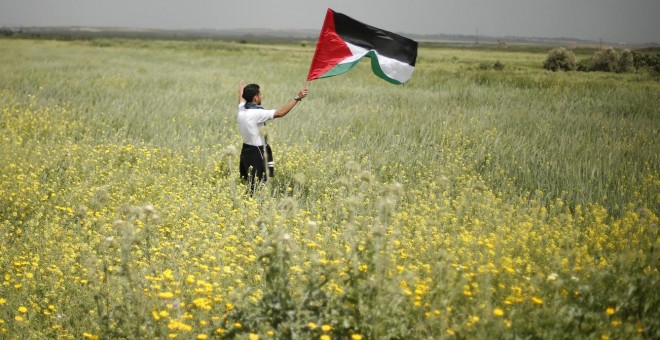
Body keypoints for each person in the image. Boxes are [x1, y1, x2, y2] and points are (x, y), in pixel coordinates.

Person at [237, 81, 308, 192]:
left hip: (245, 151)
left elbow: (241, 99)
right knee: (260, 185)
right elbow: (280, 113)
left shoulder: (242, 110)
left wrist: (241, 89)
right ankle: (257, 205)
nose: (261, 96)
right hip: (257, 152)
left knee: (248, 183)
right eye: (260, 94)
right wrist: (297, 97)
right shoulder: (256, 114)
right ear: (255, 98)